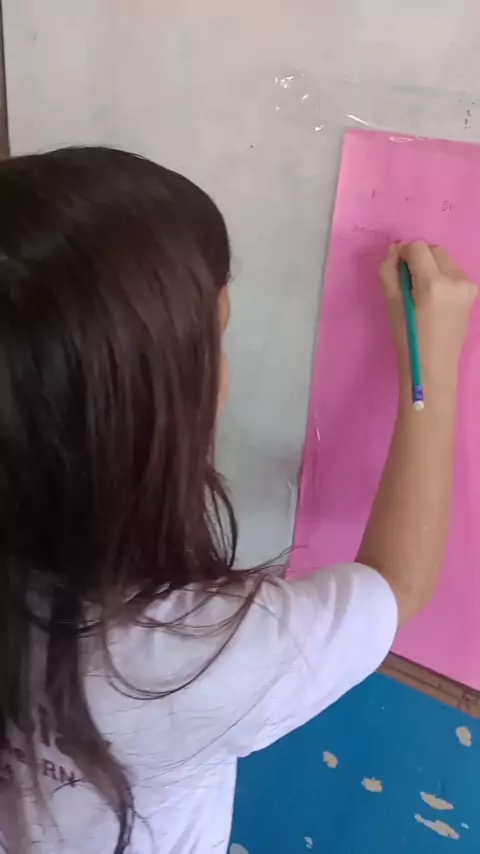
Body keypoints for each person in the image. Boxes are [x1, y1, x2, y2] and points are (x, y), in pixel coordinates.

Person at [0, 146, 476, 854]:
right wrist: (430, 366)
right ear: (161, 396)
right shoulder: (176, 660)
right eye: (217, 332)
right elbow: (395, 587)